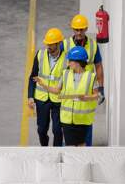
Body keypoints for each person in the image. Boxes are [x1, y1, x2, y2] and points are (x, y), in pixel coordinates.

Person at [33, 46, 98, 146]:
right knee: (70, 146)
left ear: (77, 62)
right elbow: (56, 90)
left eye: (70, 61)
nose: (68, 63)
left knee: (81, 146)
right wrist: (42, 84)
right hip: (67, 120)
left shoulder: (91, 76)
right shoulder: (66, 74)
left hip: (82, 120)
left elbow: (96, 95)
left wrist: (86, 98)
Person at [63, 14, 105, 146]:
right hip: (70, 87)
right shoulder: (65, 44)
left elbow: (98, 66)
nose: (79, 32)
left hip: (86, 87)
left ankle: (86, 149)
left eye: (81, 29)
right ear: (72, 29)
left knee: (86, 118)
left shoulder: (93, 45)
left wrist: (101, 88)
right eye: (76, 29)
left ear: (86, 28)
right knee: (68, 120)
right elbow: (60, 67)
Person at [28, 28, 66, 146]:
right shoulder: (40, 55)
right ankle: (44, 148)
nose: (48, 46)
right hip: (42, 98)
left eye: (51, 44)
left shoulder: (67, 58)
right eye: (47, 44)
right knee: (41, 130)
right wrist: (30, 96)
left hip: (58, 99)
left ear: (58, 43)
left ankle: (56, 152)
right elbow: (32, 76)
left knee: (57, 130)